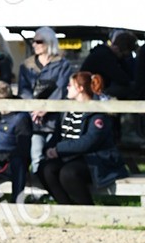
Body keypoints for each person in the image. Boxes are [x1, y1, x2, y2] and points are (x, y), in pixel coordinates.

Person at [39, 71, 126, 205]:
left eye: (70, 85)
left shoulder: (98, 112)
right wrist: (49, 149)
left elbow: (89, 142)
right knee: (45, 169)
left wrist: (58, 149)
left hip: (95, 159)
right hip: (69, 156)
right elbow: (58, 134)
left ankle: (87, 209)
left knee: (68, 173)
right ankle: (67, 208)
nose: (67, 88)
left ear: (80, 88)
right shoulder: (67, 109)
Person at [17, 26, 73, 175]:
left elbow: (62, 88)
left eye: (39, 41)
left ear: (50, 42)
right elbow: (24, 90)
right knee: (35, 155)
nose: (34, 44)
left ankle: (49, 185)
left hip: (56, 119)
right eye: (33, 41)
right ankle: (37, 185)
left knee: (53, 155)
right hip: (33, 118)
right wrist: (35, 109)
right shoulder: (26, 65)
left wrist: (46, 108)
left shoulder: (63, 64)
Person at [81, 31, 137, 99]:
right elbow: (122, 79)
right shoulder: (105, 56)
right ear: (120, 50)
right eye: (124, 55)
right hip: (89, 90)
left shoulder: (104, 52)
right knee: (130, 88)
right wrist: (121, 60)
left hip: (92, 88)